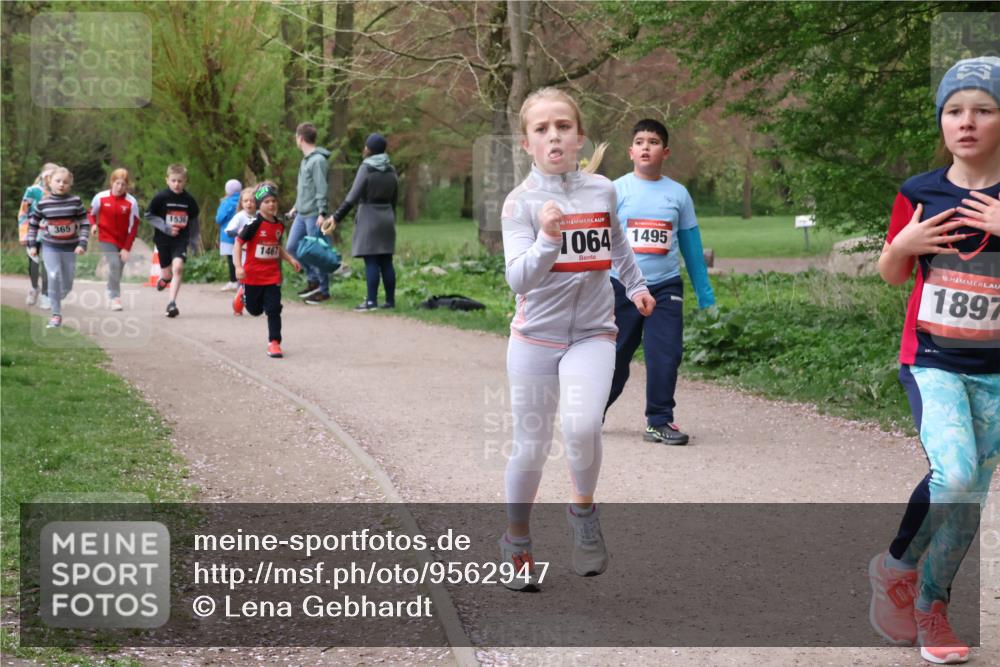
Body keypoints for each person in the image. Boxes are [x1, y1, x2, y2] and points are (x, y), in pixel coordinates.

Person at [868, 56, 1000, 665]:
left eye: (983, 109)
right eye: (954, 110)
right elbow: (892, 274)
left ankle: (932, 607)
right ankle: (895, 567)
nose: (966, 122)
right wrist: (903, 245)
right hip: (932, 360)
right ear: (941, 122)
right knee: (957, 474)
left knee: (970, 499)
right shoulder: (919, 192)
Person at [497, 87, 655, 591]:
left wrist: (636, 285)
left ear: (579, 135)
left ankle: (583, 513)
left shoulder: (603, 191)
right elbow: (519, 279)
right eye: (541, 129)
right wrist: (547, 238)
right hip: (535, 338)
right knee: (531, 445)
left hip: (592, 331)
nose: (554, 136)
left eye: (563, 126)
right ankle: (516, 543)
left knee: (584, 425)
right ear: (527, 143)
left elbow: (616, 241)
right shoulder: (519, 203)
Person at [603, 119, 716, 445]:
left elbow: (692, 248)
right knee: (616, 357)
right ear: (631, 151)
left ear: (664, 151)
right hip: (621, 287)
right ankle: (590, 413)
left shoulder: (678, 194)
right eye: (639, 141)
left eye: (653, 142)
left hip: (666, 287)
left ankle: (659, 420)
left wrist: (705, 294)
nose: (646, 147)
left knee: (664, 354)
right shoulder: (615, 190)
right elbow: (600, 241)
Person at [324, 132, 399, 311]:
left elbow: (352, 197)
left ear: (370, 149)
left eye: (366, 146)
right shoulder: (391, 169)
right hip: (387, 216)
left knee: (371, 260)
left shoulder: (366, 168)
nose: (364, 149)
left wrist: (335, 217)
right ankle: (390, 301)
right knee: (386, 260)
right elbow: (395, 197)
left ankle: (371, 301)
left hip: (369, 216)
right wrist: (391, 215)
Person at [233, 183, 301, 358]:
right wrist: (238, 267)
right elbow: (238, 243)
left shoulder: (279, 225)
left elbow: (276, 247)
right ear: (258, 205)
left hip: (272, 275)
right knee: (255, 311)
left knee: (273, 309)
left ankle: (274, 343)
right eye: (267, 201)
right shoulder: (254, 224)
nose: (271, 204)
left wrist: (290, 259)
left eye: (274, 201)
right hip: (253, 275)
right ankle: (243, 293)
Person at [25, 166, 89, 328]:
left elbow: (84, 223)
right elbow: (32, 224)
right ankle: (56, 315)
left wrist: (82, 243)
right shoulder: (44, 203)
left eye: (65, 182)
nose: (61, 185)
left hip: (70, 247)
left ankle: (58, 296)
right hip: (50, 246)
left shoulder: (75, 201)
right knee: (53, 276)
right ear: (50, 182)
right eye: (58, 181)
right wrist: (32, 244)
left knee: (67, 283)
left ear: (70, 184)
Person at [285, 122, 332, 304]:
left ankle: (324, 290)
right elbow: (304, 189)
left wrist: (322, 212)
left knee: (316, 252)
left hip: (314, 214)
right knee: (292, 247)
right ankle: (313, 280)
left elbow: (321, 188)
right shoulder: (305, 160)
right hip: (302, 213)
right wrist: (295, 207)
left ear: (301, 138)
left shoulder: (318, 161)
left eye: (296, 137)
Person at [147, 164, 200, 318]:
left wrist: (194, 241)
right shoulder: (161, 197)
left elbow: (194, 220)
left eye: (180, 181)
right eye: (174, 181)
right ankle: (164, 279)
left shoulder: (189, 200)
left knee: (178, 268)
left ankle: (172, 303)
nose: (177, 184)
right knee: (168, 273)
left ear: (185, 182)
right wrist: (166, 228)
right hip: (163, 240)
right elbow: (149, 215)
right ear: (167, 180)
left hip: (181, 240)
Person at [88, 168, 140, 311]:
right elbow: (91, 213)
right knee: (114, 264)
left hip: (123, 240)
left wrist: (126, 248)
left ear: (127, 186)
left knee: (118, 269)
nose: (120, 187)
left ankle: (110, 288)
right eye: (117, 183)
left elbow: (134, 227)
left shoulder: (131, 202)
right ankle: (115, 298)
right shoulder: (101, 197)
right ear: (112, 182)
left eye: (123, 185)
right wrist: (93, 225)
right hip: (106, 237)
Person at [18, 162, 58, 309]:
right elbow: (23, 212)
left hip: (50, 235)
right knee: (33, 265)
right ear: (43, 175)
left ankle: (46, 294)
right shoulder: (32, 191)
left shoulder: (58, 192)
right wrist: (23, 234)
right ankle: (35, 288)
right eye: (48, 175)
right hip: (32, 233)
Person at [225, 185, 257, 316]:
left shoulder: (260, 216)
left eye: (252, 200)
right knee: (242, 279)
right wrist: (238, 232)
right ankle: (238, 305)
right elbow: (228, 231)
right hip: (242, 254)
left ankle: (255, 302)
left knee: (255, 279)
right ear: (241, 203)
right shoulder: (239, 216)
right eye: (246, 201)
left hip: (256, 254)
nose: (249, 203)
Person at [216, 178, 242, 292]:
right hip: (242, 235)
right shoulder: (244, 200)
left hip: (228, 236)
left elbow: (219, 218)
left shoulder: (226, 202)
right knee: (241, 257)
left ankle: (233, 281)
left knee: (231, 258)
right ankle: (241, 280)